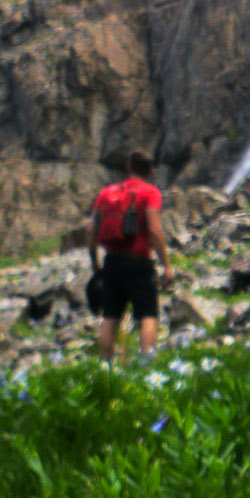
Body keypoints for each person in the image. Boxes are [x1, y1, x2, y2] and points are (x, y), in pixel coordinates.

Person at [88, 149, 173, 363]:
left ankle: (105, 367)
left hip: (111, 260)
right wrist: (167, 265)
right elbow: (154, 229)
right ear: (151, 171)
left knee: (110, 316)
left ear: (128, 168)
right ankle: (146, 363)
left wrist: (94, 261)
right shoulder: (150, 192)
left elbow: (90, 230)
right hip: (139, 261)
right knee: (148, 314)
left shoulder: (107, 192)